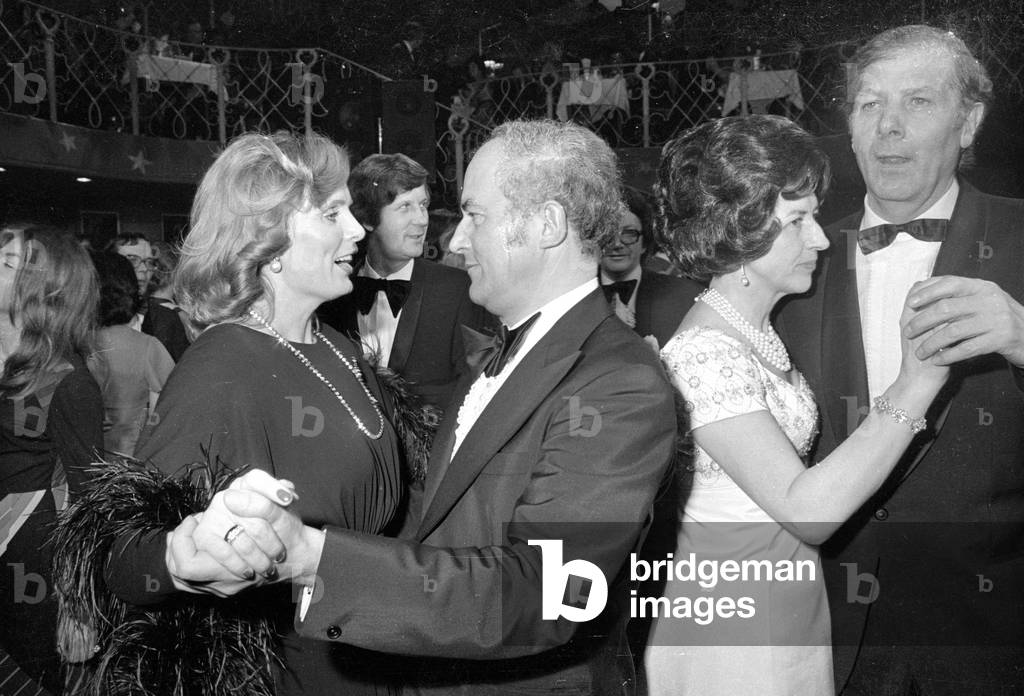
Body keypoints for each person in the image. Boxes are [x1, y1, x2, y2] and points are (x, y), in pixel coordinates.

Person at [219, 119, 678, 694]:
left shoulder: (619, 381)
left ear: (548, 225)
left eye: (474, 216)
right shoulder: (498, 351)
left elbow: (547, 593)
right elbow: (443, 522)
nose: (456, 241)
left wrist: (315, 557)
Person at [64, 131, 409, 695]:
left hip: (368, 645)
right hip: (294, 671)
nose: (356, 229)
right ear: (267, 240)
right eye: (332, 213)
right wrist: (181, 558)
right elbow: (126, 553)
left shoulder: (338, 347)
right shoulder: (222, 362)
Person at [645, 115, 949, 695]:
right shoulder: (705, 353)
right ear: (736, 230)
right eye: (797, 221)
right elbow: (809, 510)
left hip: (786, 605)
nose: (821, 238)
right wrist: (918, 381)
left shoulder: (755, 332)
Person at [775, 25, 1024, 694]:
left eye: (918, 101)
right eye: (869, 104)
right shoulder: (791, 266)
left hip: (995, 638)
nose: (888, 126)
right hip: (827, 642)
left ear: (968, 123)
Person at [0, 223, 103, 692]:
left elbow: (89, 500)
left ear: (43, 290)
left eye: (7, 263)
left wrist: (79, 605)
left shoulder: (69, 381)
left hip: (31, 562)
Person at [318, 152, 488, 411]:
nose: (422, 219)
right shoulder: (332, 295)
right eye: (405, 207)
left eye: (423, 205)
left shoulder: (459, 290)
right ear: (367, 219)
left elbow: (475, 394)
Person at [88, 251, 173, 456]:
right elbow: (168, 413)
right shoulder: (147, 347)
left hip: (81, 462)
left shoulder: (75, 344)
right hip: (130, 461)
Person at [599, 187, 702, 347]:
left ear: (645, 244)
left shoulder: (687, 297)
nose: (617, 244)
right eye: (608, 234)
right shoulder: (571, 296)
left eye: (629, 234)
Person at [110, 234, 190, 361]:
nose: (144, 269)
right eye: (132, 260)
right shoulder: (92, 320)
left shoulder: (165, 319)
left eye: (149, 262)